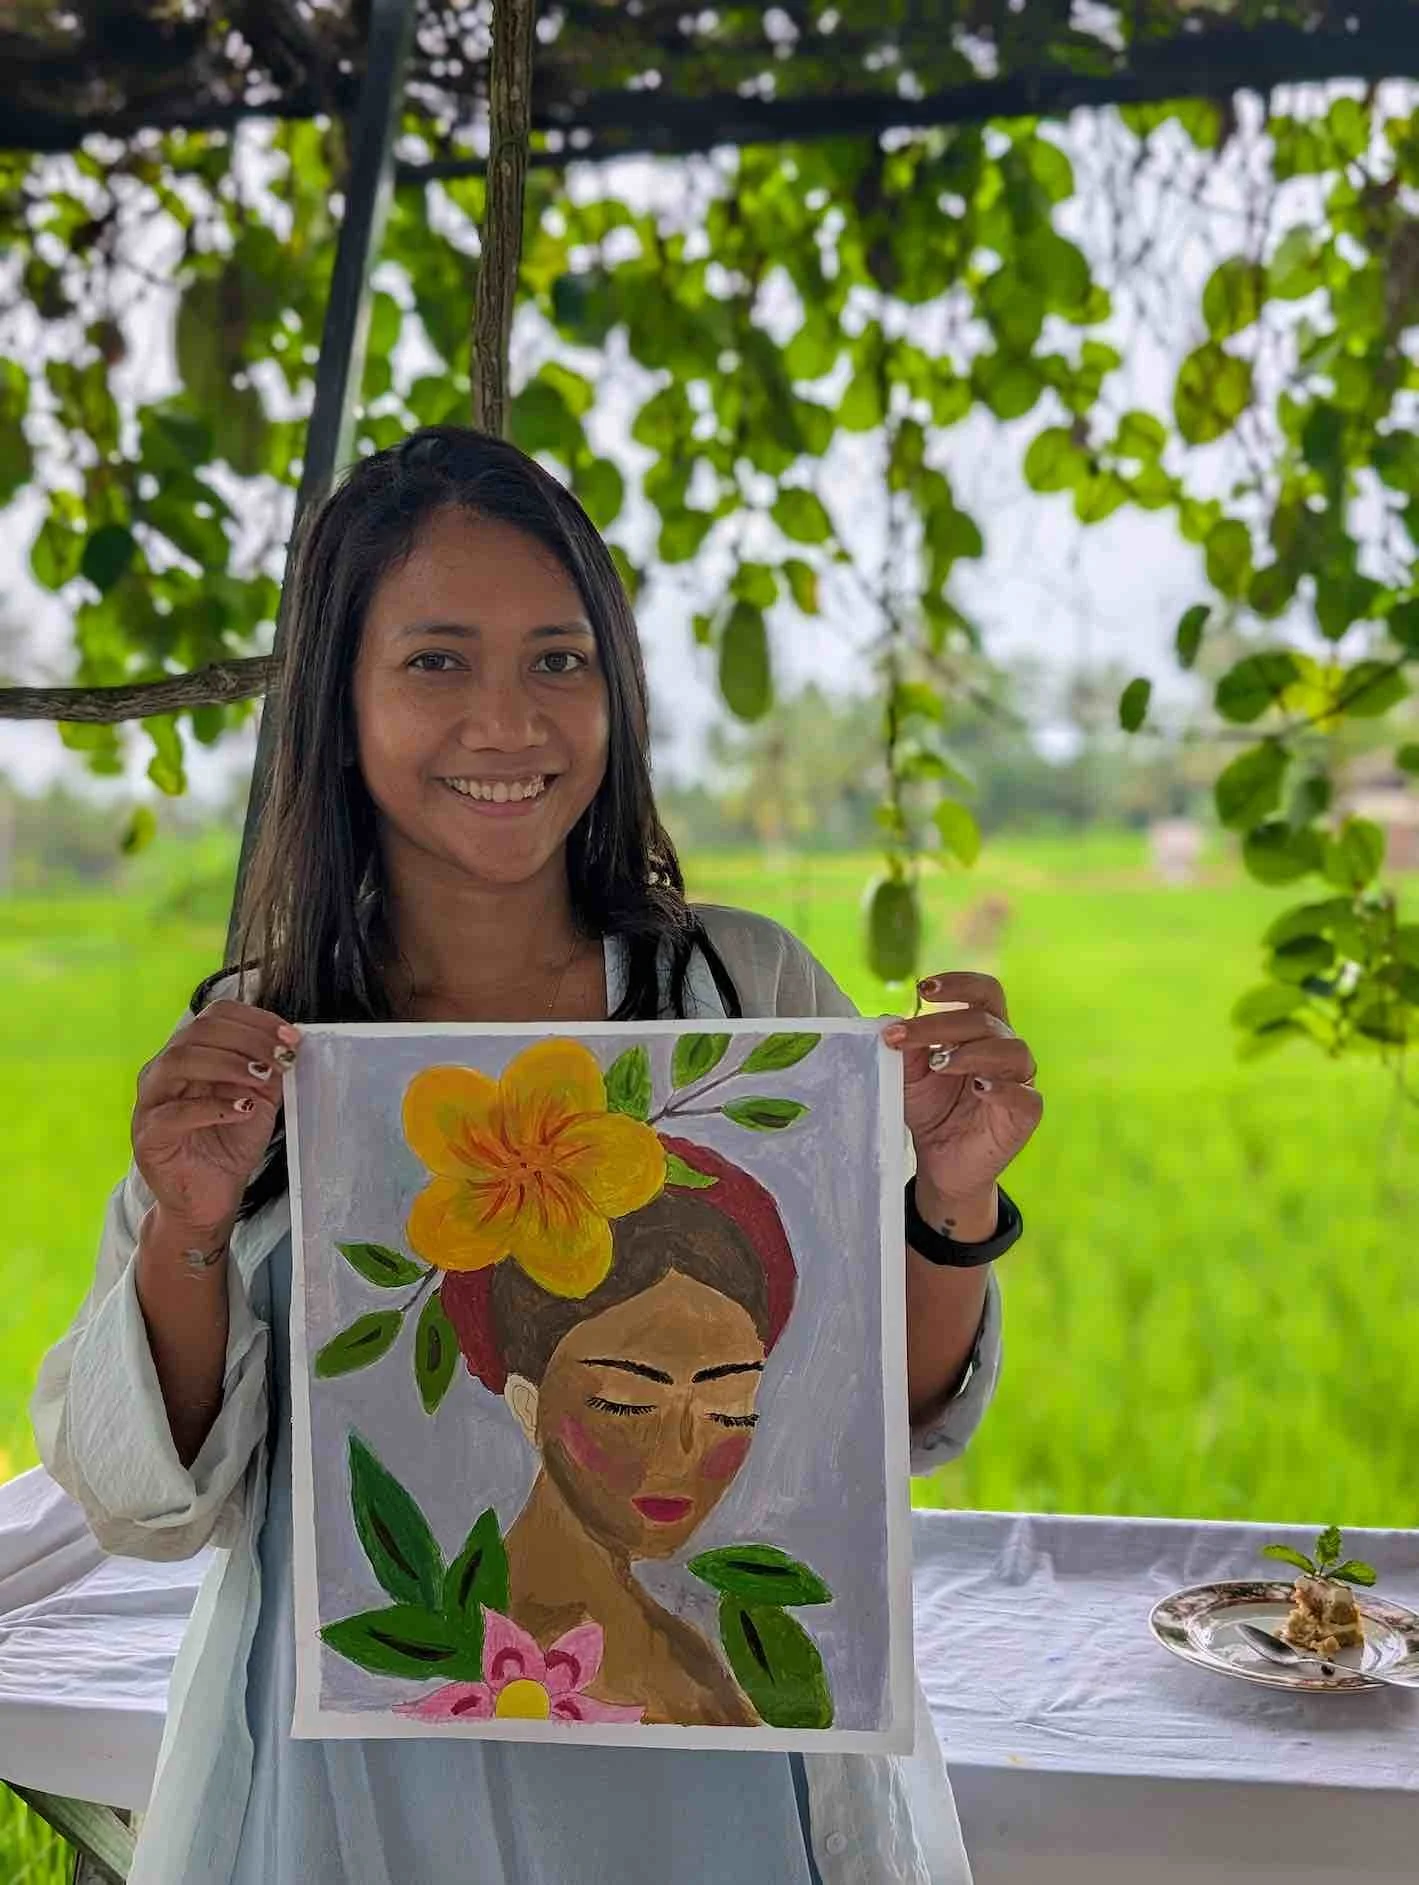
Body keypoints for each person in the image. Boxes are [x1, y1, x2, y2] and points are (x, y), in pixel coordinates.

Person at [32, 426, 1042, 1885]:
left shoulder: (742, 1004)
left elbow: (867, 1426)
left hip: (716, 1802)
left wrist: (950, 1206)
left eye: (558, 662)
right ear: (342, 702)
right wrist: (187, 1229)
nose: (507, 723)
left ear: (615, 692)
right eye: (436, 661)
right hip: (356, 1795)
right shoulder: (261, 1050)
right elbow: (149, 1494)